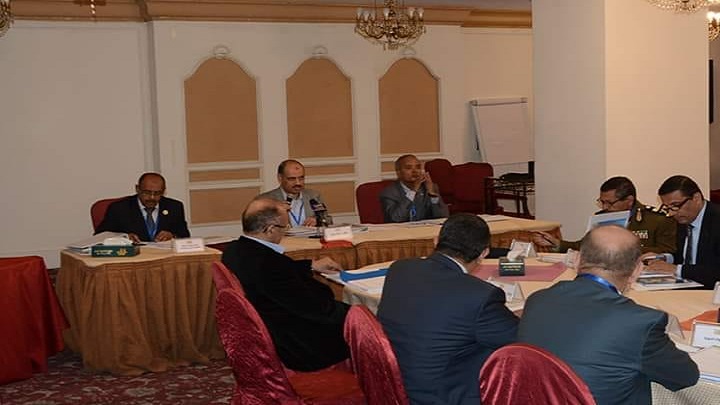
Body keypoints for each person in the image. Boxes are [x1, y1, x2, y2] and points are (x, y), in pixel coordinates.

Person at [519, 225, 699, 405]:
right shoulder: (640, 322)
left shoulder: (538, 300)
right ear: (637, 270)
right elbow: (686, 376)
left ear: (577, 260)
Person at [377, 213, 518, 404]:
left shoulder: (400, 269)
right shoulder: (480, 295)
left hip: (390, 385)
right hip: (442, 396)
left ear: (436, 241)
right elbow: (521, 338)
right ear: (484, 253)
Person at [221, 198, 349, 371]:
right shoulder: (270, 264)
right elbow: (316, 308)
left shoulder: (234, 250)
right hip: (296, 345)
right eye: (284, 227)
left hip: (270, 324)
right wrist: (354, 312)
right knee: (365, 323)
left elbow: (274, 275)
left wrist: (310, 265)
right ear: (270, 229)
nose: (285, 231)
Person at [533, 176, 676, 254]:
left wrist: (626, 249)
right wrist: (557, 243)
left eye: (610, 203)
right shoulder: (602, 218)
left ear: (629, 201)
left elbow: (669, 252)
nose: (605, 207)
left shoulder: (657, 220)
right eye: (602, 202)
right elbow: (586, 245)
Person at [644, 175, 720, 289]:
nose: (672, 213)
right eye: (667, 208)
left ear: (696, 198)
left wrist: (677, 269)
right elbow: (686, 256)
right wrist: (665, 258)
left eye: (675, 206)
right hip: (688, 287)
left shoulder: (716, 220)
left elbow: (716, 270)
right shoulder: (684, 219)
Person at [95, 172, 190, 243]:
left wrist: (172, 236)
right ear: (137, 189)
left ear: (163, 191)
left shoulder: (174, 207)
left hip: (164, 257)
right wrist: (124, 237)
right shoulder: (119, 208)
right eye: (147, 192)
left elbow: (185, 236)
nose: (152, 197)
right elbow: (100, 236)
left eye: (157, 193)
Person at [379, 154, 449, 223]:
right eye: (408, 168)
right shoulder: (389, 193)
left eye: (418, 167)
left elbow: (443, 217)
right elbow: (396, 218)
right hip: (400, 230)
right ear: (398, 172)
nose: (415, 171)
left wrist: (432, 195)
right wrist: (413, 191)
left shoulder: (428, 187)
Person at [257, 159, 326, 227]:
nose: (298, 183)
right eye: (292, 179)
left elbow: (326, 219)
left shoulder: (313, 196)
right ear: (280, 178)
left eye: (301, 178)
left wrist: (318, 221)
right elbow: (257, 226)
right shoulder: (265, 200)